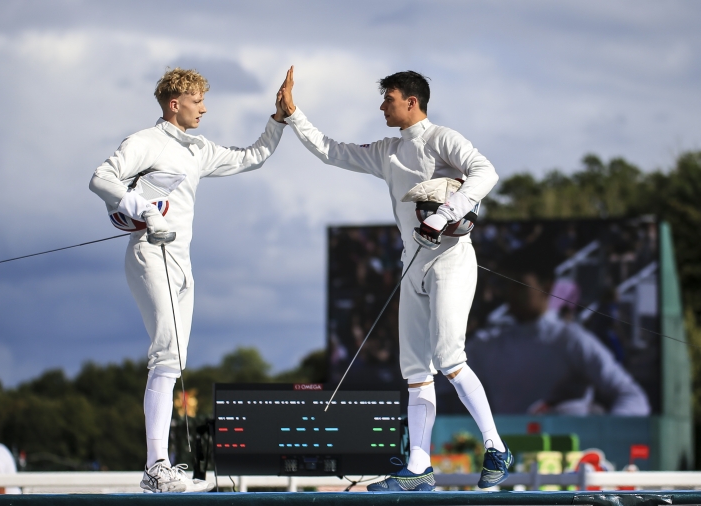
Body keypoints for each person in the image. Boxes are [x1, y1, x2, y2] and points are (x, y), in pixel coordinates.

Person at [276, 67, 511, 491]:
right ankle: (419, 466)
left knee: (448, 357)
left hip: (452, 261)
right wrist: (294, 115)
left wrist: (445, 211)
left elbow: (486, 172)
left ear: (411, 102)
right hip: (412, 265)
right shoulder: (388, 151)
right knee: (416, 369)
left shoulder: (443, 138)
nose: (382, 106)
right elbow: (332, 151)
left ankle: (496, 446)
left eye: (389, 98)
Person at [89, 67, 287, 493]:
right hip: (149, 254)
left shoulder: (198, 148)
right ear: (175, 103)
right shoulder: (145, 141)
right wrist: (145, 210)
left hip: (181, 262)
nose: (205, 107)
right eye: (198, 101)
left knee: (175, 359)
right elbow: (101, 179)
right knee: (165, 354)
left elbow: (252, 156)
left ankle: (159, 468)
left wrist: (278, 120)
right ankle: (156, 467)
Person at [466, 250, 651, 416]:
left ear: (546, 287)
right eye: (506, 285)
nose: (510, 293)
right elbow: (444, 395)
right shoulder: (486, 345)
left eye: (519, 285)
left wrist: (601, 435)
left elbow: (633, 397)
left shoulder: (571, 340)